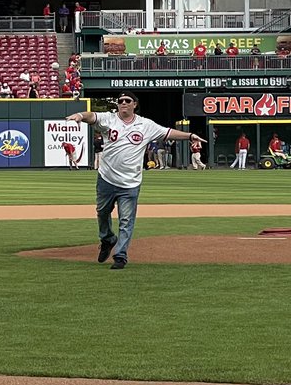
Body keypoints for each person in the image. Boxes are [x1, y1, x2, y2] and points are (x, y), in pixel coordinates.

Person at [66, 91, 205, 270]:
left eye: (127, 100)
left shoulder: (145, 124)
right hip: (107, 178)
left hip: (130, 183)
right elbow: (91, 116)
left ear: (135, 104)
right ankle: (108, 239)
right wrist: (79, 115)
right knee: (102, 212)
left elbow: (168, 132)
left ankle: (120, 256)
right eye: (120, 101)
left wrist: (190, 136)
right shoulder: (109, 119)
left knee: (126, 220)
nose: (123, 103)